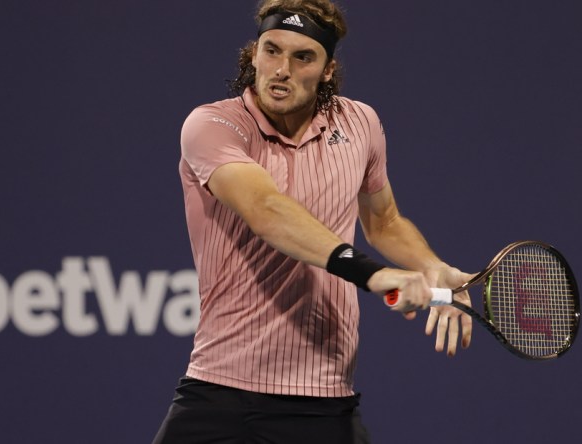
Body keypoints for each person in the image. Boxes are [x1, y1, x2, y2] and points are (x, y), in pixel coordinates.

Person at [153, 1, 473, 442]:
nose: (281, 69)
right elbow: (267, 209)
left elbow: (384, 222)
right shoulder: (213, 125)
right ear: (253, 54)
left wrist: (431, 266)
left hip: (325, 403)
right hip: (221, 395)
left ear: (327, 70)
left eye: (302, 57)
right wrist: (373, 274)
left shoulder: (360, 123)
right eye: (271, 50)